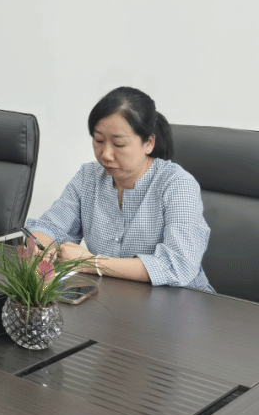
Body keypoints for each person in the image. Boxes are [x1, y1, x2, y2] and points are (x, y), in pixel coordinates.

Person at [27, 87, 213, 292]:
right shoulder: (88, 177)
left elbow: (178, 265)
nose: (105, 154)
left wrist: (91, 263)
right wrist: (41, 247)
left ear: (148, 143)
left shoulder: (177, 184)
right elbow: (50, 226)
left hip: (179, 302)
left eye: (119, 144)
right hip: (114, 298)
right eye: (99, 140)